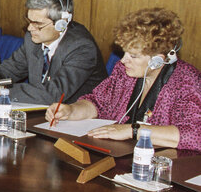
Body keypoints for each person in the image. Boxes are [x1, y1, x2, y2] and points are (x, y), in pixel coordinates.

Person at [45, 8, 201, 150]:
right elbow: (98, 103)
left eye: (133, 56)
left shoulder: (186, 81)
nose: (123, 60)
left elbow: (194, 135)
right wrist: (71, 110)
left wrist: (132, 130)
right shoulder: (124, 71)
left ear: (158, 60)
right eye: (124, 53)